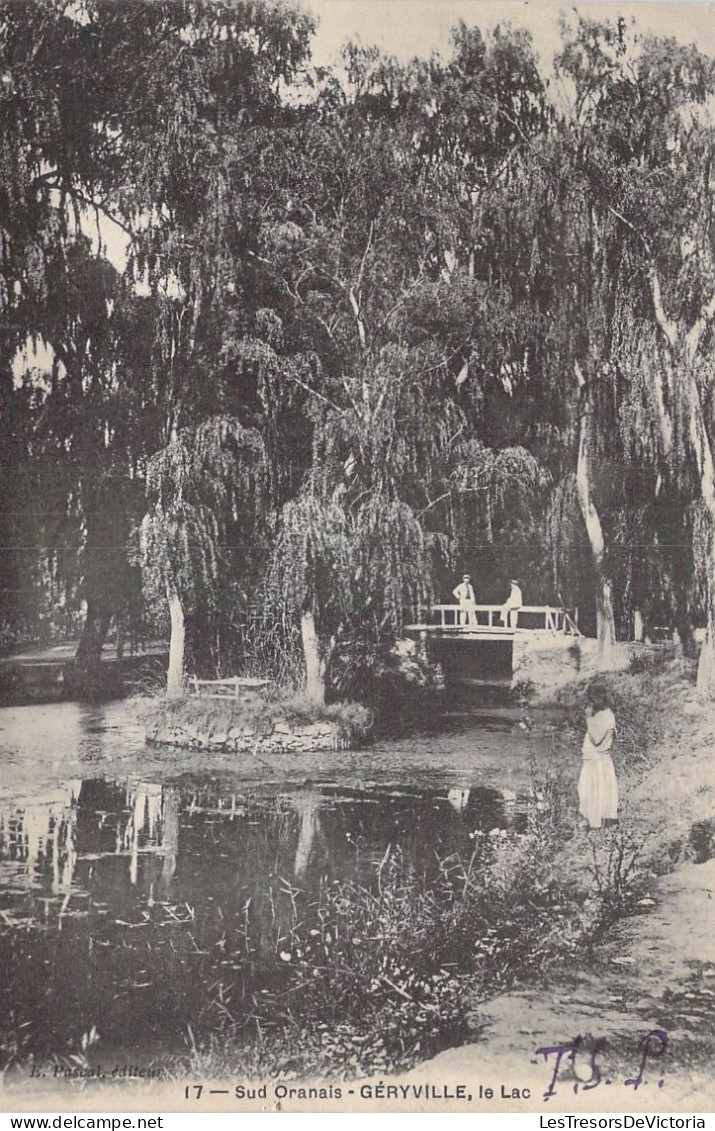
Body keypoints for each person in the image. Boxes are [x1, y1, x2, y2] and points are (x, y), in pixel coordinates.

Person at [578, 680, 618, 830]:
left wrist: (589, 718)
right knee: (587, 790)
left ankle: (596, 824)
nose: (592, 703)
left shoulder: (606, 716)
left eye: (594, 700)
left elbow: (596, 739)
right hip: (593, 760)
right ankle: (595, 822)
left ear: (601, 698)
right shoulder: (602, 714)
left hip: (597, 761)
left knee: (593, 792)